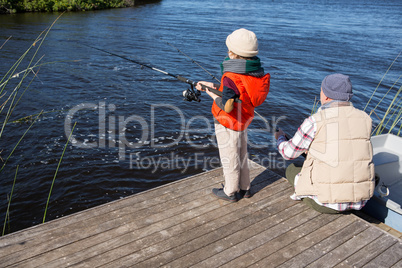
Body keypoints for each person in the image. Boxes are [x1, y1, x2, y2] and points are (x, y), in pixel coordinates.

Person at [275, 73, 375, 213]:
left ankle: (310, 197)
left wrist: (280, 138)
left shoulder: (315, 120)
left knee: (292, 168)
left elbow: (288, 153)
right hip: (360, 201)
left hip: (327, 204)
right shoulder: (365, 119)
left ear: (326, 96)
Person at [196, 28, 270, 202]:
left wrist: (211, 94)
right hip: (244, 121)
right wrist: (213, 86)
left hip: (228, 122)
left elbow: (228, 105)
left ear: (232, 53)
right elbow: (239, 92)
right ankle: (245, 188)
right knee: (242, 154)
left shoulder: (231, 76)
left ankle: (230, 192)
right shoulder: (256, 73)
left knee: (230, 157)